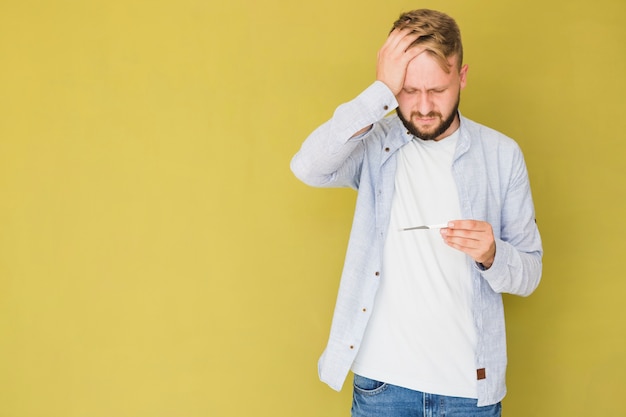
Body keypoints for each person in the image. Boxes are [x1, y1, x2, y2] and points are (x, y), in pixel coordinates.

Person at [290, 8, 542, 417]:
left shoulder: (501, 155)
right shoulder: (375, 143)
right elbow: (307, 166)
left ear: (461, 77)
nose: (424, 107)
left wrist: (493, 254)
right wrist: (378, 93)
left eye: (438, 90)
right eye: (408, 90)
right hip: (382, 388)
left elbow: (530, 273)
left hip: (470, 394)